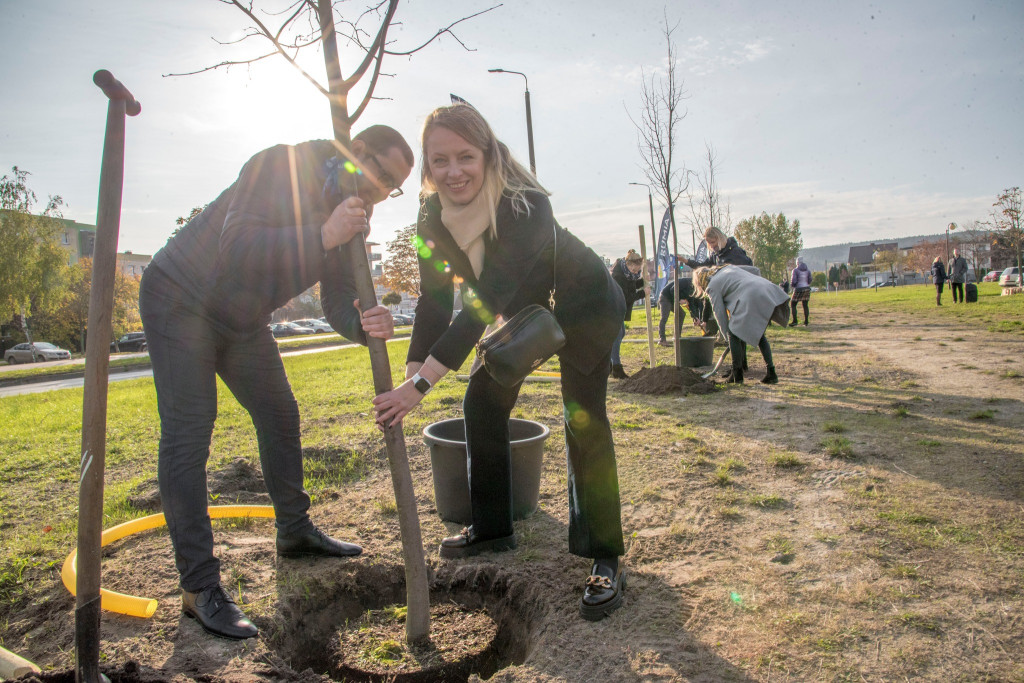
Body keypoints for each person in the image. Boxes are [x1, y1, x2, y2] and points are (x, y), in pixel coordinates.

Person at [139, 126, 414, 640]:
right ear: (355, 150)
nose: (381, 190)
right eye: (380, 174)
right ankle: (199, 588)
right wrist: (323, 233)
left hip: (243, 319)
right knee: (189, 430)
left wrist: (361, 324)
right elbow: (238, 245)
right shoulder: (280, 164)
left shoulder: (356, 209)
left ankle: (293, 530)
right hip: (182, 295)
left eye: (392, 186)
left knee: (281, 415)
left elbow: (336, 297)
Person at [371, 104, 627, 621]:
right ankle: (491, 528)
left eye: (466, 156)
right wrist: (413, 364)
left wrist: (420, 387)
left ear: (488, 156)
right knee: (482, 400)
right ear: (426, 165)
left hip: (582, 309)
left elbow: (484, 302)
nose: (454, 171)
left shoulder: (525, 205)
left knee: (583, 419)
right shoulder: (428, 217)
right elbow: (435, 301)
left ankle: (604, 555)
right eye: (439, 160)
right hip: (526, 316)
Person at [693, 265, 790, 385]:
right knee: (760, 335)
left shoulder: (712, 286)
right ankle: (771, 372)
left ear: (700, 282)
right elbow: (755, 270)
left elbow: (719, 313)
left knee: (733, 333)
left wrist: (726, 336)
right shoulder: (727, 268)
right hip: (765, 288)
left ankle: (737, 374)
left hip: (750, 296)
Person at [610, 250, 649, 376]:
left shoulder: (627, 274)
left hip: (619, 307)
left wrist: (643, 281)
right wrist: (643, 293)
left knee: (621, 333)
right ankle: (616, 367)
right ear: (627, 265)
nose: (636, 273)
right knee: (617, 334)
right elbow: (626, 296)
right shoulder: (618, 276)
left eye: (638, 271)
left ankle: (609, 363)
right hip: (613, 306)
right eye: (634, 271)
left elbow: (631, 285)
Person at [684, 226, 752, 269]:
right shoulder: (715, 255)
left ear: (720, 239)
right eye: (709, 243)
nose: (711, 246)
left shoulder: (736, 253)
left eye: (713, 242)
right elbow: (703, 266)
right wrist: (685, 261)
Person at [658, 275, 696, 346]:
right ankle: (662, 340)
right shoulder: (686, 282)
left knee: (682, 314)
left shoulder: (693, 290)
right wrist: (679, 299)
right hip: (665, 297)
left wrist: (695, 317)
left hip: (673, 299)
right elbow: (672, 290)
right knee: (664, 317)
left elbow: (691, 304)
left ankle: (677, 337)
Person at [790, 256, 812, 325]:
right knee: (805, 305)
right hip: (807, 288)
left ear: (797, 263)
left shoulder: (795, 270)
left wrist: (793, 286)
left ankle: (795, 321)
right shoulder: (808, 270)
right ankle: (806, 321)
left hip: (799, 288)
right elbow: (810, 280)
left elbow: (793, 280)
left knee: (793, 304)